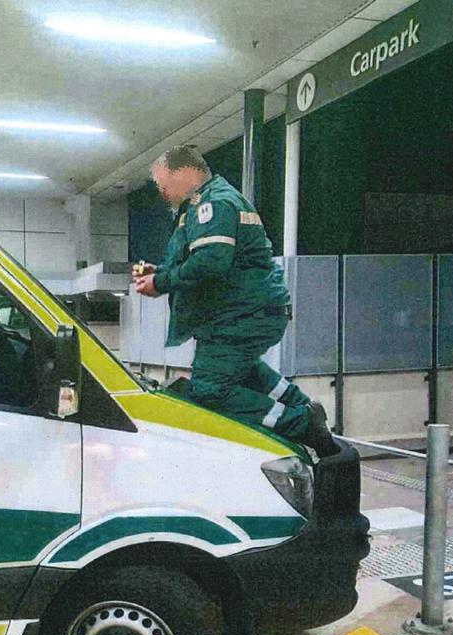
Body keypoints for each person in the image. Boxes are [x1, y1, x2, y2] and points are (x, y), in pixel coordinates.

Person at [132, 145, 337, 458]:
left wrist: (160, 282)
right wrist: (158, 273)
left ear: (183, 172)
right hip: (246, 314)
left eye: (163, 184)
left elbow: (213, 261)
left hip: (239, 317)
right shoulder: (212, 202)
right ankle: (300, 403)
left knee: (209, 391)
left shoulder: (213, 204)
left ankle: (301, 422)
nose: (161, 193)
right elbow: (206, 260)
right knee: (238, 371)